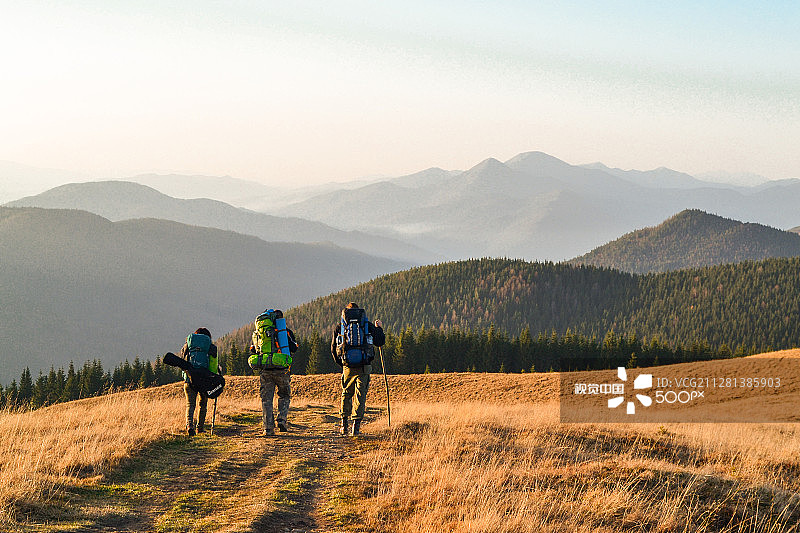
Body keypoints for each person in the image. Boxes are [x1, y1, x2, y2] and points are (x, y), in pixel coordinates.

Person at [331, 302, 385, 436]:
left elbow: (333, 348)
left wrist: (342, 363)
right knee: (360, 396)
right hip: (364, 366)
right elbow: (379, 342)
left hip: (347, 366)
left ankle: (343, 425)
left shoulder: (341, 327)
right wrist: (379, 328)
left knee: (346, 394)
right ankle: (356, 427)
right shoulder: (365, 325)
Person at [249, 309, 299, 436]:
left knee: (266, 399)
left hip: (265, 370)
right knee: (284, 395)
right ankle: (282, 418)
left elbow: (254, 350)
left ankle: (268, 429)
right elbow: (293, 348)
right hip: (282, 371)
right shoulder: (284, 332)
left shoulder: (260, 333)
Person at [178, 327, 224, 436]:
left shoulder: (188, 345)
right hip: (204, 381)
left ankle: (189, 426)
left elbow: (183, 361)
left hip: (189, 380)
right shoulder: (211, 347)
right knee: (202, 405)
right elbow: (213, 366)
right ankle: (200, 428)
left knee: (190, 405)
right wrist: (214, 376)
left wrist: (186, 376)